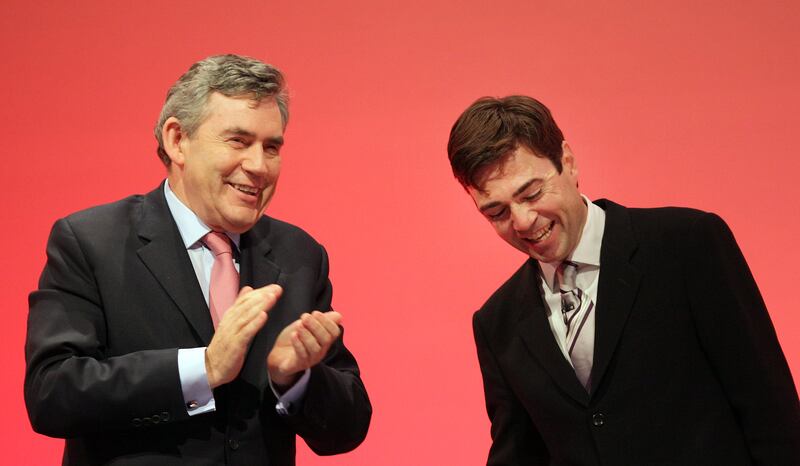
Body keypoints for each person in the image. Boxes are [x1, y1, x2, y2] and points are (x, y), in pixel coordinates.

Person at [24, 54, 371, 466]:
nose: (259, 166)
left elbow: (348, 429)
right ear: (177, 140)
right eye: (238, 141)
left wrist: (295, 378)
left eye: (271, 147)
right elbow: (52, 393)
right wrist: (202, 368)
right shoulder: (91, 242)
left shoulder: (300, 255)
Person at [447, 95, 800, 465]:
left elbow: (770, 412)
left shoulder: (687, 244)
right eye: (497, 212)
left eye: (532, 193)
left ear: (568, 162)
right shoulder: (496, 323)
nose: (522, 221)